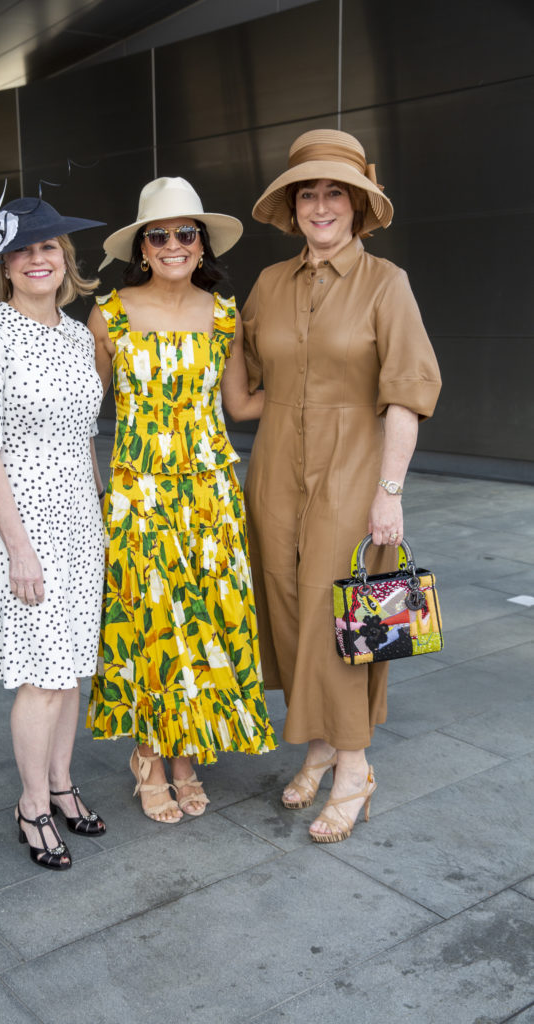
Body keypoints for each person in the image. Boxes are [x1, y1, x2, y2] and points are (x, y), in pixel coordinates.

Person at [242, 130, 442, 842]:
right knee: (288, 607)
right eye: (307, 193)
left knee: (345, 618)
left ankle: (353, 766)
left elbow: (407, 393)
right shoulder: (266, 285)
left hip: (354, 469)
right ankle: (321, 744)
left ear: (357, 206)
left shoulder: (385, 283)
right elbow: (240, 393)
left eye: (334, 193)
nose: (319, 206)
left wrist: (387, 491)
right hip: (273, 469)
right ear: (291, 207)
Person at [86, 177, 276, 822]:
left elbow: (242, 404)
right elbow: (82, 413)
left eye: (185, 233)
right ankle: (148, 753)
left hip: (210, 494)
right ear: (142, 246)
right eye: (158, 234)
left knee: (204, 622)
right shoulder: (108, 314)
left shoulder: (226, 315)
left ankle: (186, 754)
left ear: (202, 245)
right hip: (140, 490)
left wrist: (322, 385)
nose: (173, 244)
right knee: (146, 621)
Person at [0, 193, 107, 869]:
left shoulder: (76, 335)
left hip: (77, 517)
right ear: (2, 266)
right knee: (41, 674)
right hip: (22, 524)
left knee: (69, 668)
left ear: (66, 261)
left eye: (49, 248)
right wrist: (18, 550)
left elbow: (86, 435)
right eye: (22, 250)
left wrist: (97, 513)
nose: (38, 259)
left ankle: (63, 784)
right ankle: (31, 804)